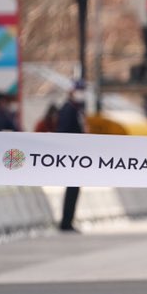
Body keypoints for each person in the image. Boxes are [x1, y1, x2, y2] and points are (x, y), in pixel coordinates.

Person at [57, 80, 88, 232]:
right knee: (72, 188)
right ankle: (66, 222)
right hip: (71, 156)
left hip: (77, 156)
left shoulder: (77, 109)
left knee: (74, 189)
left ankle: (68, 220)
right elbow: (63, 132)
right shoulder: (68, 109)